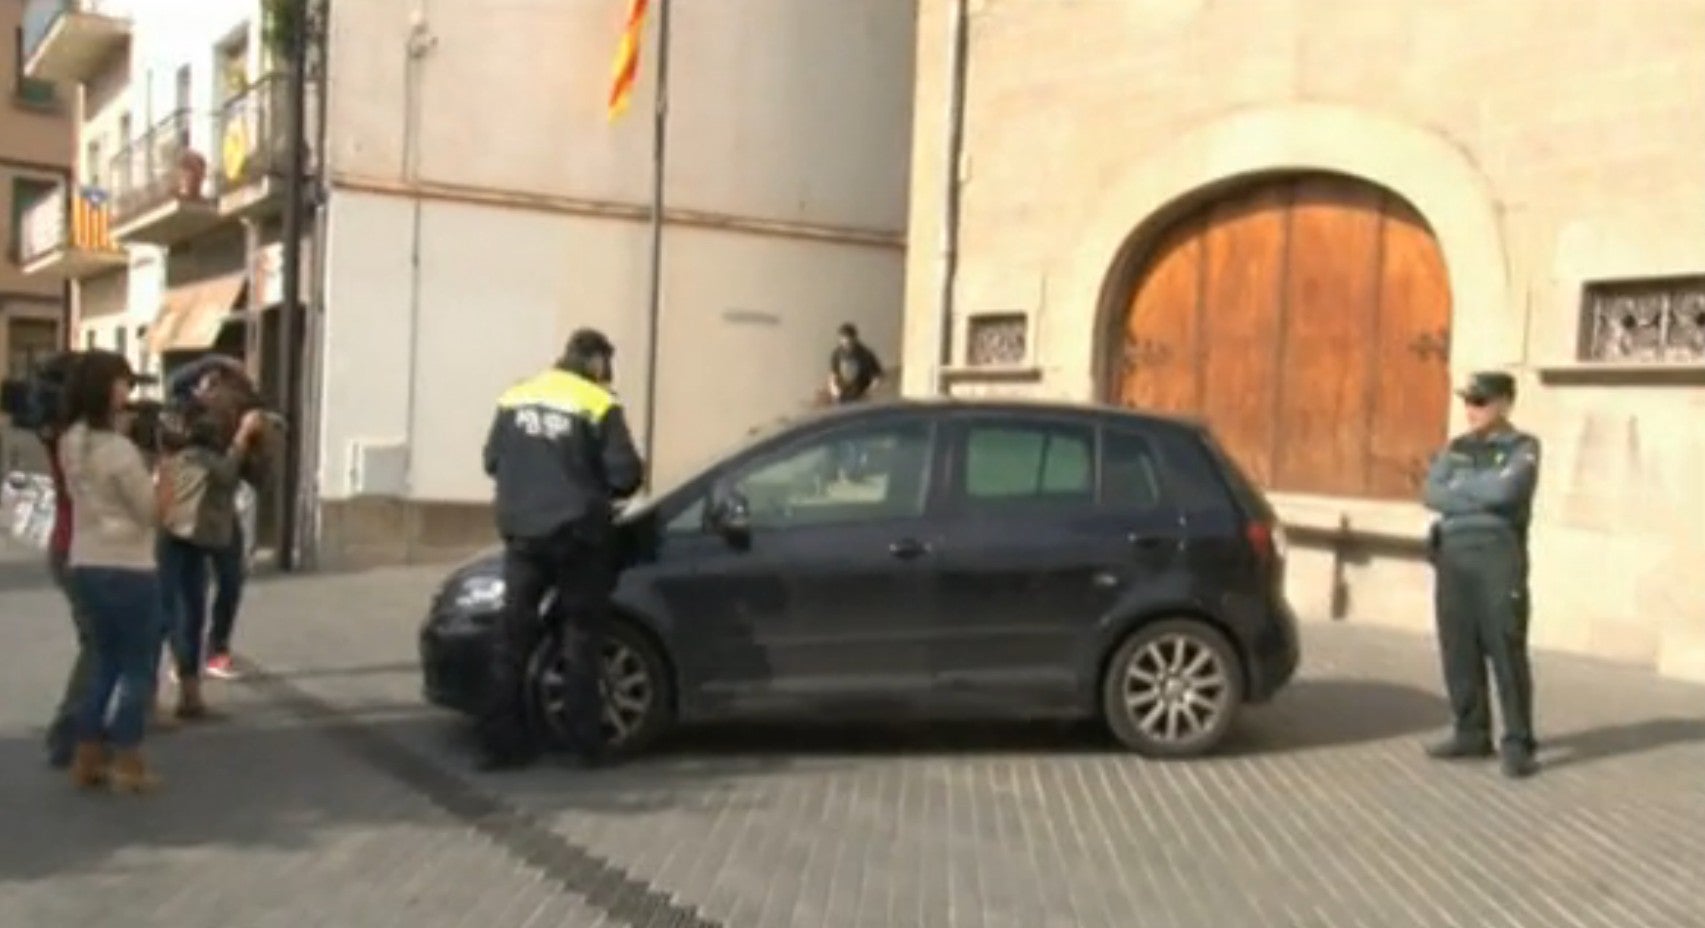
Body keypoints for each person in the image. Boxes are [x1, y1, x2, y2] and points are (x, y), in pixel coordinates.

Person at [477, 328, 645, 770]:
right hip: (578, 538)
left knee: (512, 639)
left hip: (524, 537)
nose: (608, 375)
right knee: (581, 638)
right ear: (595, 362)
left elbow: (492, 459)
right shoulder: (598, 403)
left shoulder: (517, 396)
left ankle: (502, 744)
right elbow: (626, 475)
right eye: (607, 365)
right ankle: (584, 743)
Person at [58, 350, 171, 793]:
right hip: (129, 565)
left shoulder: (73, 440)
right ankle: (128, 760)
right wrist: (166, 477)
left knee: (103, 661)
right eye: (123, 383)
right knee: (138, 666)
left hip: (86, 560)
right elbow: (150, 513)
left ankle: (86, 758)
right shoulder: (120, 451)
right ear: (106, 388)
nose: (129, 391)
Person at [1421, 371, 1543, 779]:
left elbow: (1507, 493)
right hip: (1453, 556)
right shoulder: (1456, 448)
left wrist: (1461, 494)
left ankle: (1518, 741)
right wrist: (1475, 493)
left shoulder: (1522, 447)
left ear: (1505, 404)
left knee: (1504, 645)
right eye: (1469, 402)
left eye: (1481, 402)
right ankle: (1471, 731)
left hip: (1497, 556)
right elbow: (1432, 493)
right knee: (1459, 646)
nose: (1472, 410)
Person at [156, 402, 265, 719]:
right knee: (180, 611)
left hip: (193, 534)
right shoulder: (190, 456)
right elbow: (227, 473)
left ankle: (190, 689)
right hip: (180, 535)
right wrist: (242, 436)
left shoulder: (184, 453)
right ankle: (177, 688)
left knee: (190, 608)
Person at [165, 354, 261, 680]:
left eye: (221, 382)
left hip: (221, 508)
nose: (214, 388)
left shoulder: (240, 408)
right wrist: (216, 360)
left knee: (231, 580)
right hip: (186, 510)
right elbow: (175, 381)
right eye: (209, 381)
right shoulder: (186, 407)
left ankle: (215, 649)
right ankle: (183, 657)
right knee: (188, 591)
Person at [39, 356, 93, 769]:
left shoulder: (59, 432)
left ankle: (83, 727)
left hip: (69, 546)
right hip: (82, 550)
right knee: (98, 644)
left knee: (95, 643)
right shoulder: (78, 439)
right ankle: (70, 731)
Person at [826, 323, 884, 405]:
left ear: (854, 339)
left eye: (849, 343)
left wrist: (869, 392)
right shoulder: (837, 354)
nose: (847, 346)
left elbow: (877, 376)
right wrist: (834, 389)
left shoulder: (865, 354)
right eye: (844, 342)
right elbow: (833, 374)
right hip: (842, 396)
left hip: (860, 395)